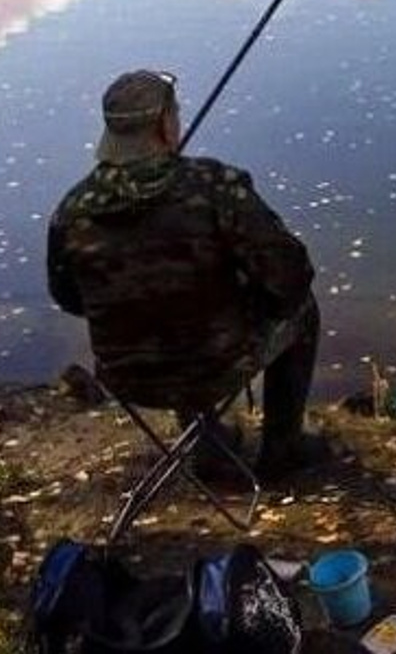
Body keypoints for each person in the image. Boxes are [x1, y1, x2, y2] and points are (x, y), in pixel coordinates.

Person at [46, 69, 327, 482]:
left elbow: (68, 297)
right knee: (303, 311)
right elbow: (291, 275)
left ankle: (209, 445)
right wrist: (246, 292)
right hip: (215, 368)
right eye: (174, 113)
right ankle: (283, 447)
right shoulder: (214, 187)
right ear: (165, 125)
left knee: (168, 313)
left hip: (126, 378)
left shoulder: (71, 210)